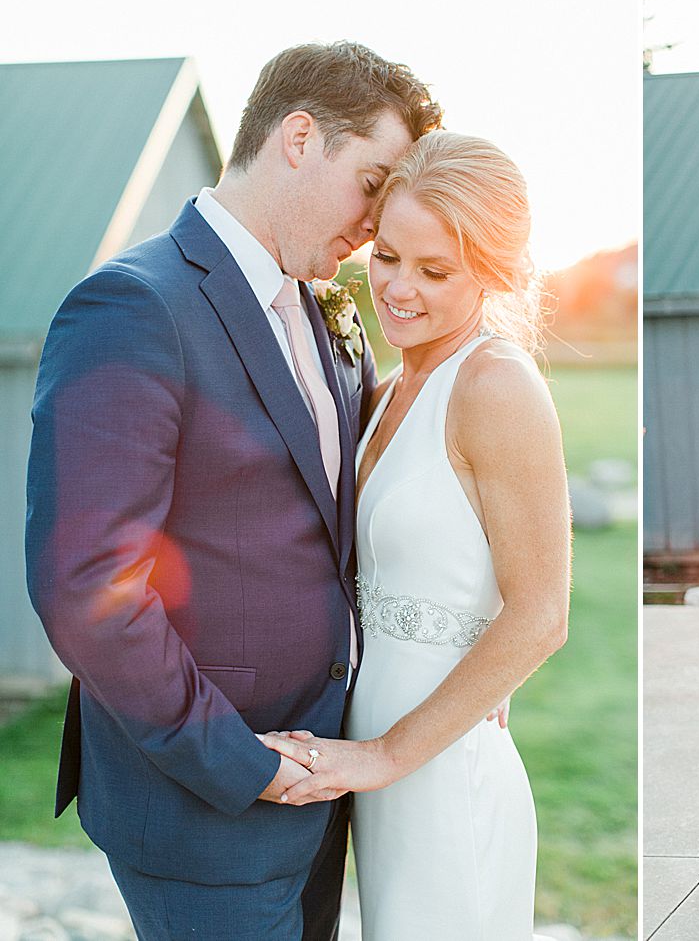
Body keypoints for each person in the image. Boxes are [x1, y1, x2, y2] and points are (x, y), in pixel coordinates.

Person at [25, 42, 438, 939]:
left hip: (321, 794)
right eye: (371, 180)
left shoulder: (331, 311)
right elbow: (86, 587)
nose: (378, 223)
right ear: (299, 138)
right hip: (207, 807)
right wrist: (242, 764)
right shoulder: (133, 308)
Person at [259, 130, 571, 939]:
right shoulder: (391, 385)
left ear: (494, 273)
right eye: (389, 255)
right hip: (378, 763)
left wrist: (386, 756)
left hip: (441, 771)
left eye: (436, 271)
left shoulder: (495, 385)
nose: (397, 288)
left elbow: (542, 615)